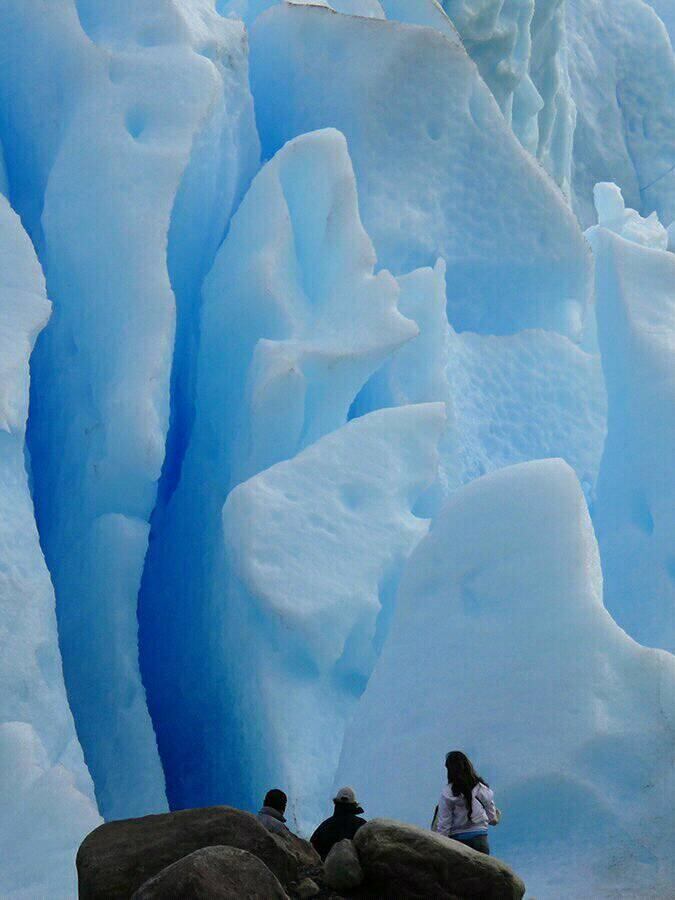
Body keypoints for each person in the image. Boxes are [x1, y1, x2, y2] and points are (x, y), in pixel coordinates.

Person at [432, 751, 500, 854]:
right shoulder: (482, 789)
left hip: (458, 843)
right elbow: (492, 819)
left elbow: (444, 826)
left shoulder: (447, 793)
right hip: (480, 841)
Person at [310, 787, 367, 860]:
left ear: (335, 803)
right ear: (354, 804)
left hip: (327, 869)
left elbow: (312, 850)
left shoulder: (324, 826)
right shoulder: (361, 825)